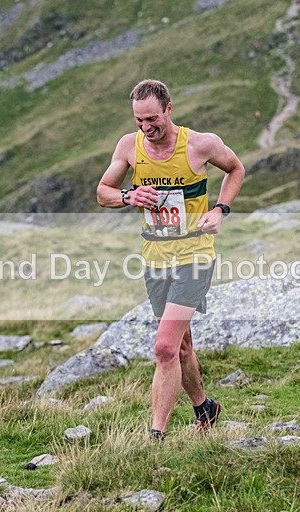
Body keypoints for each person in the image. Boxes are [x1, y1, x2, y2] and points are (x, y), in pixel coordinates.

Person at [96, 79, 245, 440]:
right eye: (139, 120)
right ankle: (205, 409)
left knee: (163, 347)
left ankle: (156, 437)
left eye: (152, 119)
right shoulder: (129, 147)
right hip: (156, 257)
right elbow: (103, 193)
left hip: (195, 255)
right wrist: (130, 196)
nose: (146, 127)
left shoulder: (200, 144)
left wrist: (220, 210)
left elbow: (236, 169)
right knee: (180, 346)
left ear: (168, 110)